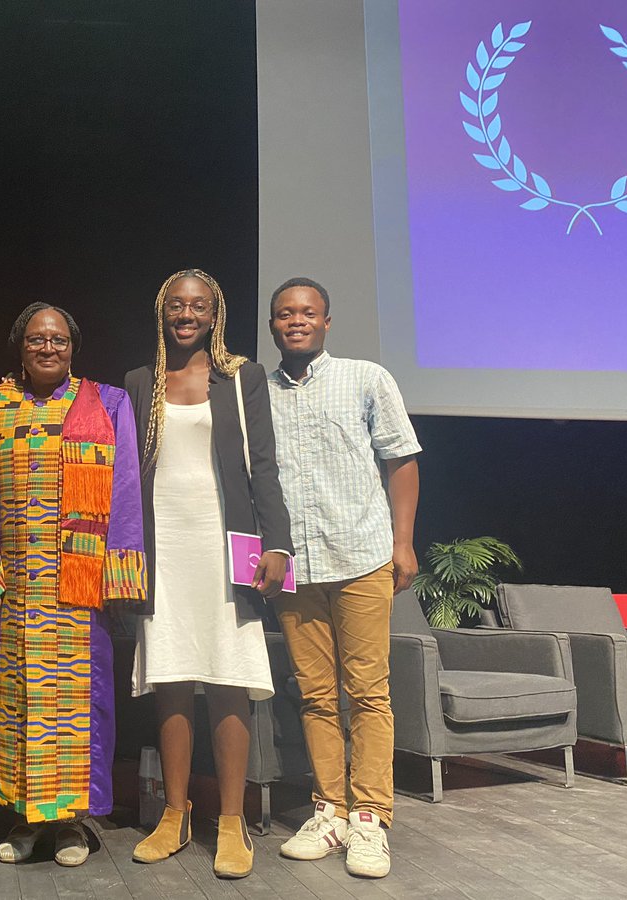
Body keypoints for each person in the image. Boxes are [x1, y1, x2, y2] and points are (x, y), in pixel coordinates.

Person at [0, 303, 147, 867]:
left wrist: (119, 577)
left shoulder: (107, 403)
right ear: (20, 346)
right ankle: (22, 817)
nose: (49, 348)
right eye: (38, 340)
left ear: (74, 346)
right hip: (21, 584)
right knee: (19, 700)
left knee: (77, 705)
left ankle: (69, 824)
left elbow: (125, 492)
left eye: (60, 340)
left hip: (79, 585)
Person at [125, 269, 294, 879]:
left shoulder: (240, 376)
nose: (186, 313)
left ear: (215, 312)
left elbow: (265, 466)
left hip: (228, 542)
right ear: (162, 310)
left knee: (228, 676)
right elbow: (129, 477)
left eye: (198, 305)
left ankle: (230, 820)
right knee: (169, 672)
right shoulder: (140, 382)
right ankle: (175, 813)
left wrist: (279, 545)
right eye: (176, 304)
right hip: (162, 544)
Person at [266, 276, 421, 880]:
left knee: (369, 692)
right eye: (284, 314)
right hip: (295, 566)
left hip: (360, 555)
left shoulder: (366, 377)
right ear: (273, 324)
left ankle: (371, 820)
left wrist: (402, 543)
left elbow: (401, 458)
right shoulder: (261, 392)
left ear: (327, 322)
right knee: (315, 695)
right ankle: (329, 810)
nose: (296, 321)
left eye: (307, 313)